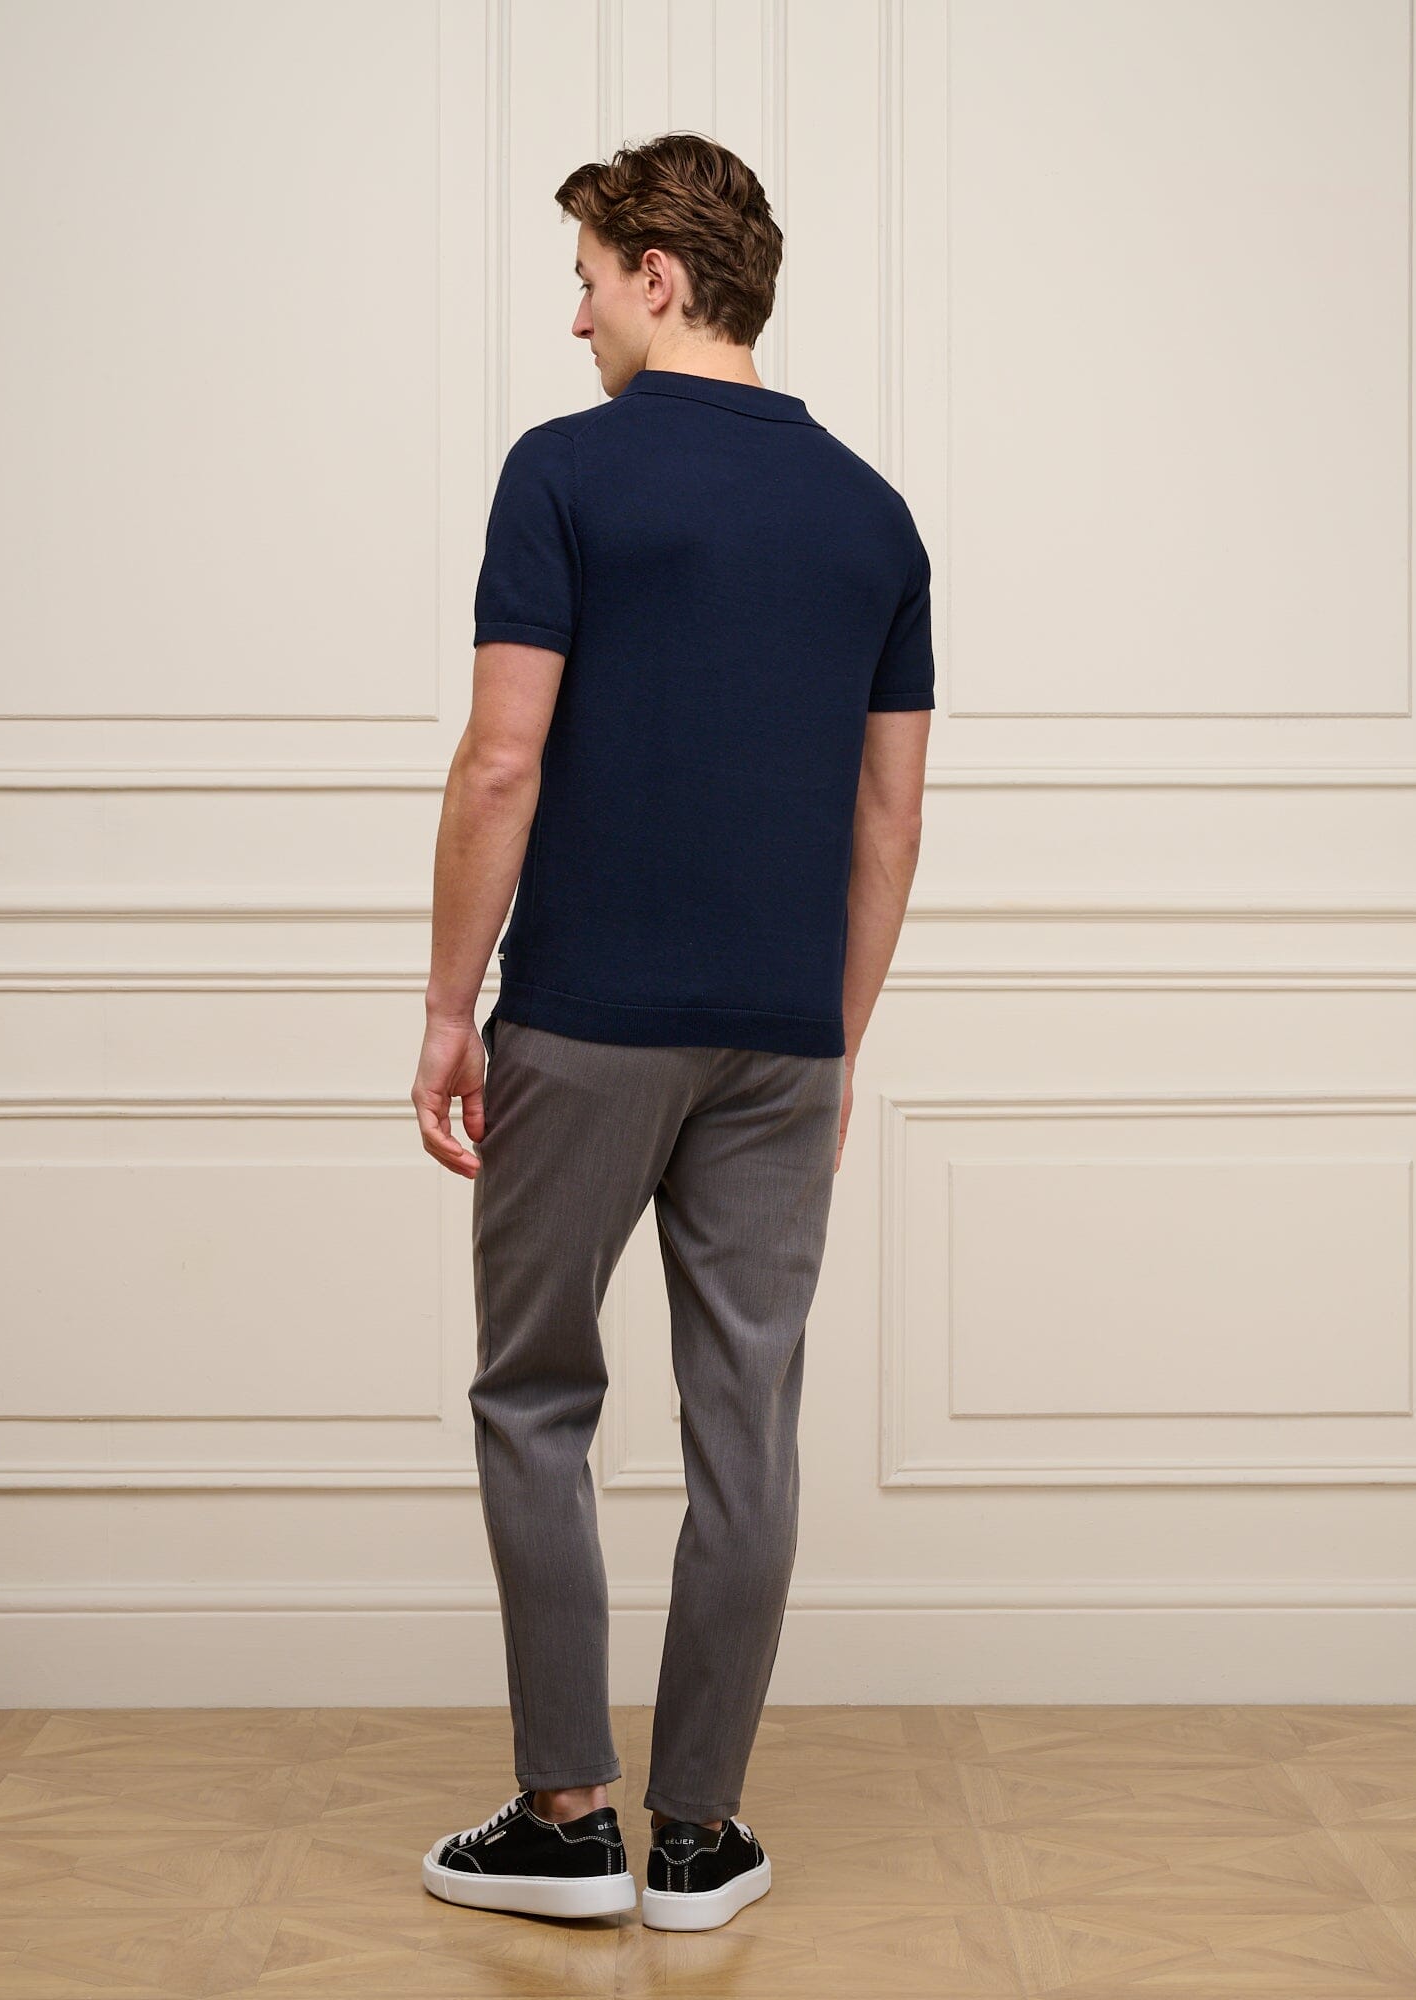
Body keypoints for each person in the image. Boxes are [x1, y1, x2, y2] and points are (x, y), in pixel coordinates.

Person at [413, 132, 933, 1933]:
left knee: (534, 1397)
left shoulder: (563, 473)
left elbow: (501, 760)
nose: (575, 321)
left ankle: (568, 1823)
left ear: (660, 273)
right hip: (783, 1041)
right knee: (748, 1428)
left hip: (584, 1024)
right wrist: (834, 1040)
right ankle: (699, 1839)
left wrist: (446, 1010)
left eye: (585, 280)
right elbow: (889, 821)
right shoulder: (875, 514)